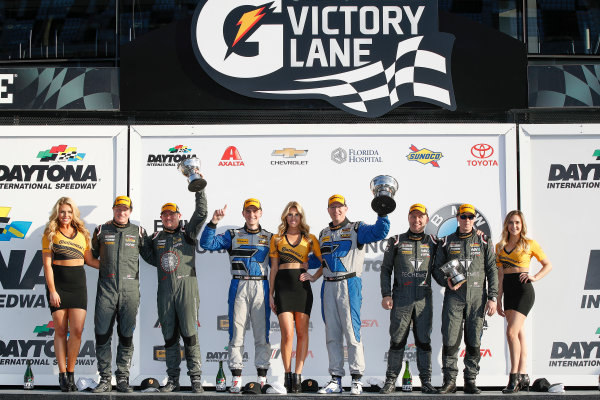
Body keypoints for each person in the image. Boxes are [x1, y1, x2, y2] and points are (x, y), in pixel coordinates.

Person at [309, 194, 390, 395]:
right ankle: (335, 379)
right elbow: (316, 260)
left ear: (346, 208)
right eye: (332, 206)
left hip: (349, 283)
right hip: (327, 286)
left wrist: (382, 211)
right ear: (328, 210)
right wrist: (292, 259)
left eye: (339, 206)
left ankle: (356, 379)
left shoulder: (356, 228)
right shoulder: (323, 233)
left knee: (352, 334)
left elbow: (380, 232)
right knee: (332, 335)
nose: (336, 210)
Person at [199, 199, 272, 393]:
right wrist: (213, 222)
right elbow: (206, 243)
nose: (252, 215)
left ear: (261, 213)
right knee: (236, 333)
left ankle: (262, 378)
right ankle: (236, 378)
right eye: (248, 211)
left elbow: (281, 266)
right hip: (238, 284)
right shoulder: (233, 235)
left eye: (255, 211)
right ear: (243, 214)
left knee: (261, 334)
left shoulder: (270, 237)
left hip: (261, 284)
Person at [140, 189, 207, 393]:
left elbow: (202, 213)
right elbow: (152, 259)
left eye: (172, 214)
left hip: (187, 289)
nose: (169, 217)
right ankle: (173, 380)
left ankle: (195, 379)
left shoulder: (188, 233)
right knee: (169, 336)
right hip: (165, 292)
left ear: (179, 216)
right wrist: (142, 241)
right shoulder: (156, 237)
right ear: (161, 218)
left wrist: (199, 190)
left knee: (190, 335)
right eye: (165, 214)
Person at [432, 204, 498, 394]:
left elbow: (492, 269)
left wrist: (492, 297)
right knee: (451, 339)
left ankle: (470, 380)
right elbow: (436, 269)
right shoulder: (446, 241)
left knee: (474, 340)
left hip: (478, 297)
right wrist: (447, 282)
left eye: (470, 217)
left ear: (475, 219)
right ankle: (450, 381)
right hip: (454, 297)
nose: (467, 220)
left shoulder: (484, 240)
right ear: (457, 218)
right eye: (463, 217)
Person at [379, 204, 438, 394]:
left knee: (423, 340)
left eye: (420, 217)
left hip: (423, 298)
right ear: (408, 218)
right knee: (397, 340)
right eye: (413, 216)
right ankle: (390, 381)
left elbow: (458, 240)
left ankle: (426, 382)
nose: (416, 220)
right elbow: (386, 270)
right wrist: (386, 294)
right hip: (401, 298)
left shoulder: (434, 242)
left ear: (426, 219)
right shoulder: (396, 241)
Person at [42, 197, 99, 392]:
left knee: (76, 331)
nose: (65, 215)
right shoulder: (50, 233)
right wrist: (52, 290)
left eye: (68, 212)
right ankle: (62, 375)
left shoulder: (82, 234)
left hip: (78, 286)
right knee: (60, 331)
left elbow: (89, 260)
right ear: (57, 213)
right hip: (58, 285)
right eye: (62, 212)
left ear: (73, 213)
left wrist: (111, 266)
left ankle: (71, 373)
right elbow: (47, 265)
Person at [91, 196, 147, 393]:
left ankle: (122, 378)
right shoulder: (101, 230)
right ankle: (105, 379)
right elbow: (91, 256)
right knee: (102, 334)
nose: (121, 212)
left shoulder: (139, 232)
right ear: (113, 209)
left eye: (125, 209)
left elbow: (151, 256)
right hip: (106, 289)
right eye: (118, 208)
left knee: (126, 336)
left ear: (130, 211)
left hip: (130, 291)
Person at [269, 201, 323, 393]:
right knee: (287, 334)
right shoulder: (276, 239)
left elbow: (325, 260)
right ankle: (288, 375)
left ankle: (298, 376)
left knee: (302, 333)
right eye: (290, 215)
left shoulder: (310, 239)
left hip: (302, 289)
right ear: (285, 217)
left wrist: (314, 277)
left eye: (296, 215)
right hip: (282, 288)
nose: (293, 218)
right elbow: (274, 268)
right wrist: (270, 294)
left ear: (301, 217)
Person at [495, 210, 552, 393]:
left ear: (522, 224)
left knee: (511, 332)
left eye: (517, 222)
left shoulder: (529, 244)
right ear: (506, 225)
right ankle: (524, 374)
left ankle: (513, 377)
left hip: (524, 291)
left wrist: (535, 277)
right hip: (509, 291)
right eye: (511, 222)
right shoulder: (500, 246)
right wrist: (498, 298)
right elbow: (501, 275)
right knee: (518, 333)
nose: (514, 226)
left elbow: (548, 265)